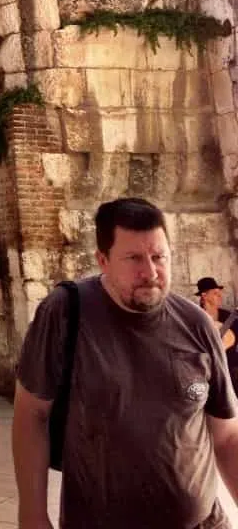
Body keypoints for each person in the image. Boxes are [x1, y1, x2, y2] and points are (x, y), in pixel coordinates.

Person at [13, 196, 238, 529]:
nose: (150, 272)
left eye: (159, 257)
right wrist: (32, 515)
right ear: (103, 260)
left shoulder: (198, 325)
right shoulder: (65, 312)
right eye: (133, 258)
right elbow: (31, 415)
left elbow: (227, 436)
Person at [197, 276, 238, 391]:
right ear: (204, 295)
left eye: (220, 293)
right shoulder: (195, 317)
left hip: (232, 365)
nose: (220, 296)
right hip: (207, 368)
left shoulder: (229, 316)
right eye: (215, 293)